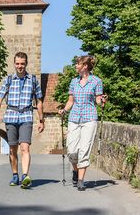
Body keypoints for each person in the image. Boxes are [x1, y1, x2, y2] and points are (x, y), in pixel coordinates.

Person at [0, 52, 44, 189]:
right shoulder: (9, 80)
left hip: (26, 116)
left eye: (22, 63)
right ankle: (15, 175)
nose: (20, 66)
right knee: (12, 149)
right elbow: (0, 97)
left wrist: (41, 119)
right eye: (17, 63)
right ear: (14, 64)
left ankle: (25, 176)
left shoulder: (33, 80)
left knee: (25, 147)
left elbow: (39, 101)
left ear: (26, 64)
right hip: (11, 116)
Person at [58, 55, 106, 191]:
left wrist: (102, 101)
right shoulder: (74, 81)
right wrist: (64, 110)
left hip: (89, 119)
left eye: (77, 64)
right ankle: (75, 170)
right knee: (72, 151)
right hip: (74, 118)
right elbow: (70, 101)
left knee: (84, 149)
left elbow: (97, 100)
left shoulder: (96, 81)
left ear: (85, 66)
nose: (75, 66)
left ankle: (80, 180)